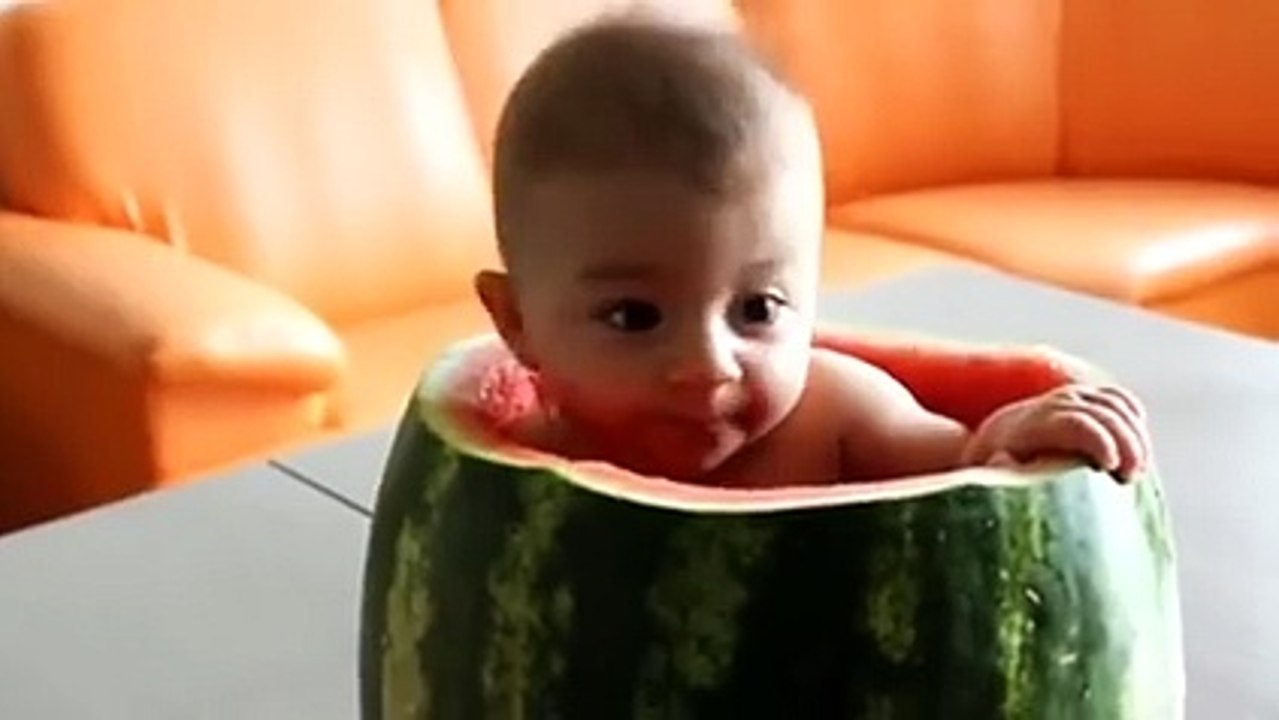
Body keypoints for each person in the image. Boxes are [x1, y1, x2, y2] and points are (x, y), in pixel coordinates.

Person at [471, 14, 1151, 488]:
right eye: (634, 316)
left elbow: (964, 469)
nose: (708, 365)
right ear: (516, 323)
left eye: (757, 308)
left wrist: (1011, 438)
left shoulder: (840, 418)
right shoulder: (512, 471)